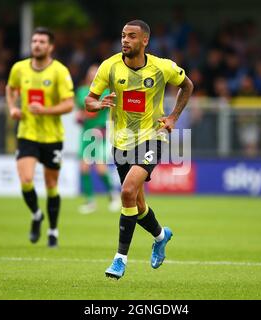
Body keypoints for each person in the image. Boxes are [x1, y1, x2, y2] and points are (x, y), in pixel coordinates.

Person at [85, 20, 194, 279]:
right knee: (137, 204)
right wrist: (98, 104)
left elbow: (187, 85)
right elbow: (89, 101)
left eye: (131, 36)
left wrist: (173, 118)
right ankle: (160, 236)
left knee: (127, 191)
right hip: (121, 142)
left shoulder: (161, 67)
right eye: (123, 35)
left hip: (152, 138)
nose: (125, 40)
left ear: (144, 40)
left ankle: (119, 259)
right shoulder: (109, 66)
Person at [5, 27, 74, 248]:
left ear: (50, 46)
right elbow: (10, 88)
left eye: (42, 42)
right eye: (34, 41)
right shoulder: (19, 68)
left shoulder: (59, 71)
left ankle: (53, 230)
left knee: (51, 185)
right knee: (26, 180)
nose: (37, 44)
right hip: (27, 133)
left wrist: (44, 110)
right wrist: (12, 108)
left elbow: (69, 104)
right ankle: (36, 215)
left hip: (52, 136)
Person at [75, 64, 120, 214]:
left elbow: (110, 113)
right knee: (84, 167)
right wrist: (80, 117)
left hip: (99, 132)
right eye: (91, 73)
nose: (93, 76)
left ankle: (113, 196)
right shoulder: (82, 91)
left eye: (96, 74)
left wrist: (105, 127)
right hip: (86, 133)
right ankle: (90, 201)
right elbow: (82, 110)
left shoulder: (107, 91)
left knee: (100, 167)